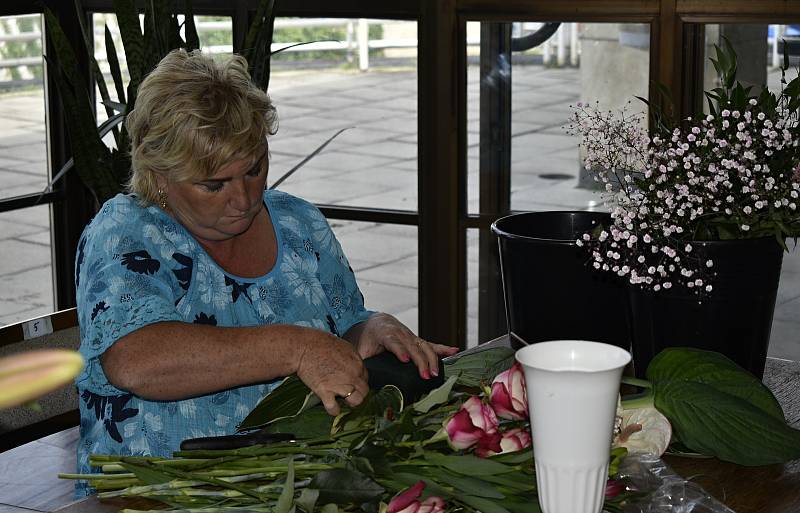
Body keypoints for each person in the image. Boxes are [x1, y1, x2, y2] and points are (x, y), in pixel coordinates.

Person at [73, 48, 457, 492]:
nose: (243, 198)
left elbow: (341, 327)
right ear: (160, 175)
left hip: (295, 482)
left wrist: (369, 329)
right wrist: (296, 348)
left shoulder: (298, 223)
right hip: (162, 494)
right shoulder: (126, 231)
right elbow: (136, 361)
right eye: (213, 184)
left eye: (254, 169)